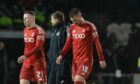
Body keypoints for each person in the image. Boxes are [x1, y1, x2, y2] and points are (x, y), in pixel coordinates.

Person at [56, 8, 107, 84]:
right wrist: (61, 55)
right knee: (80, 81)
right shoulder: (72, 27)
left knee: (77, 81)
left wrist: (101, 59)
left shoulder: (90, 26)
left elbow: (97, 43)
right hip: (75, 61)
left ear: (80, 16)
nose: (73, 22)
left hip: (86, 60)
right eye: (72, 21)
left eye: (75, 20)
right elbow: (68, 43)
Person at [17, 11, 47, 84]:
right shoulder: (25, 30)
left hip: (38, 63)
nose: (24, 20)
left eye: (26, 18)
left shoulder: (39, 30)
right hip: (27, 64)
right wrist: (25, 58)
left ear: (33, 18)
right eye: (23, 19)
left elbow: (38, 47)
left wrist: (25, 56)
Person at [47, 11, 72, 84]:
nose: (51, 21)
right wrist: (49, 56)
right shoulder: (54, 30)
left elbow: (69, 45)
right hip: (52, 65)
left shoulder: (66, 29)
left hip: (61, 64)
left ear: (57, 19)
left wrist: (62, 56)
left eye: (52, 19)